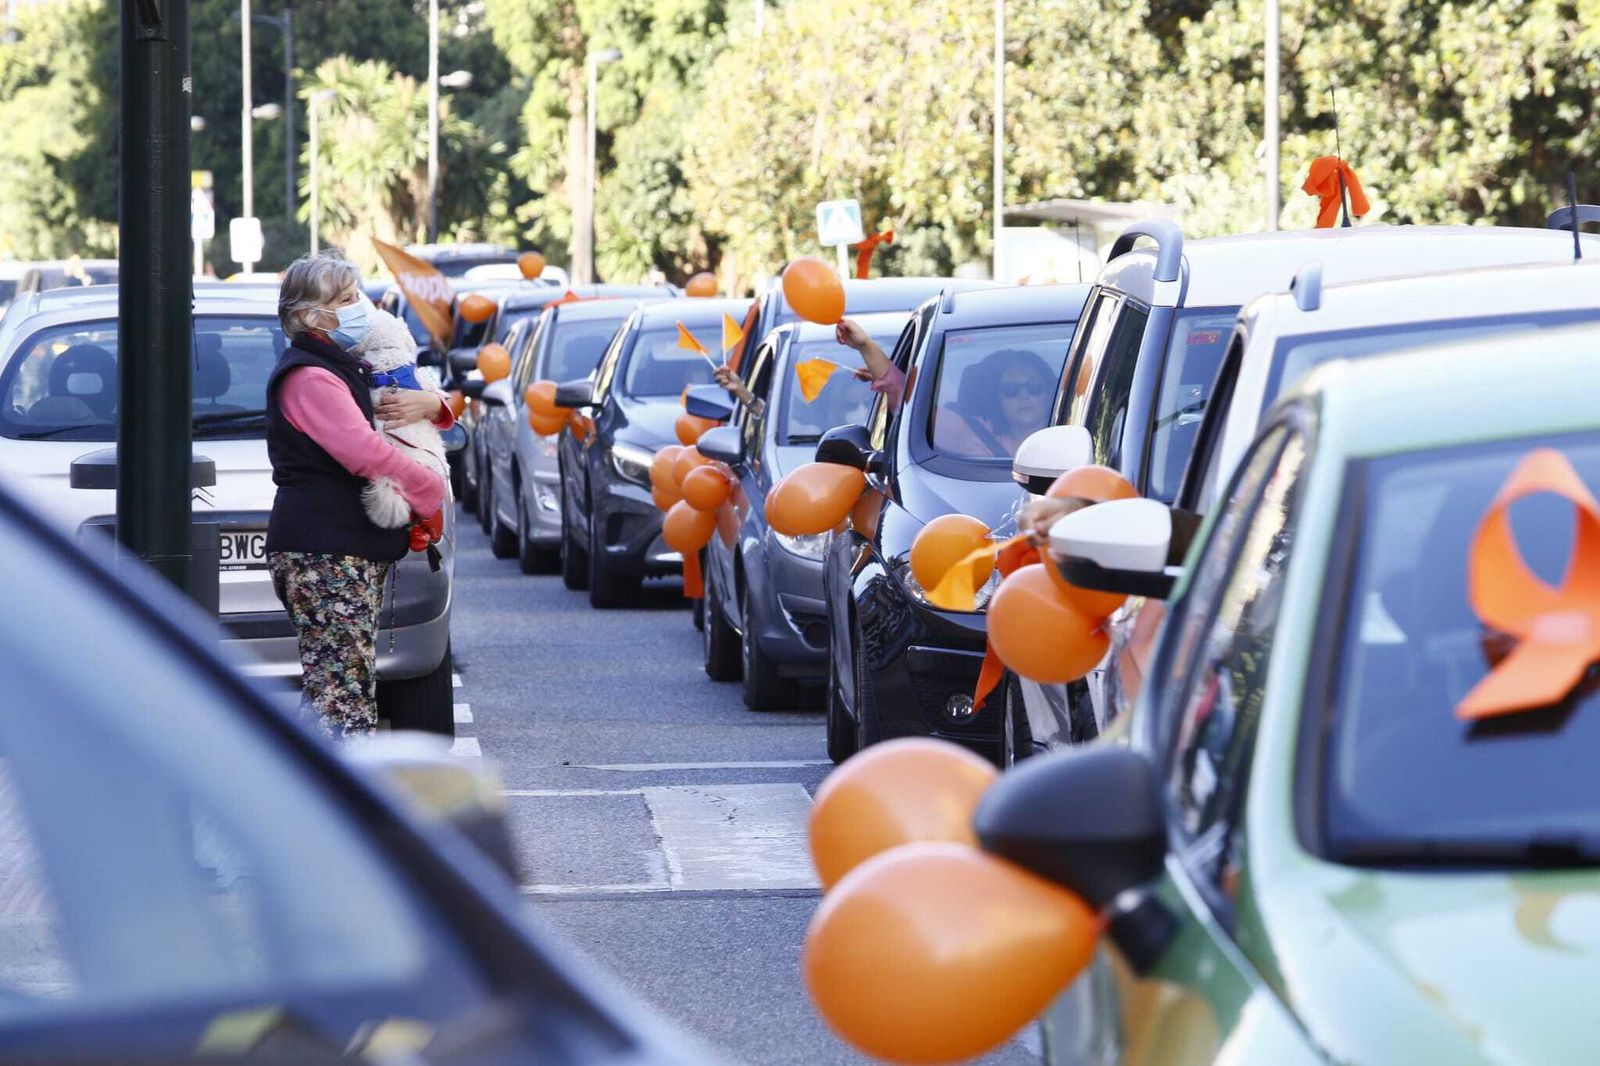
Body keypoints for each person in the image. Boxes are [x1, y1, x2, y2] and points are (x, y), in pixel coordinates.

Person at [266, 251, 454, 737]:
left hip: (339, 549)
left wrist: (434, 403)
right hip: (325, 552)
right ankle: (344, 807)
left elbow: (407, 388)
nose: (360, 309)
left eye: (358, 297)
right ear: (310, 315)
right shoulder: (309, 376)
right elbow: (363, 450)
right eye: (346, 300)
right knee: (343, 700)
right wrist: (427, 488)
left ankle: (299, 797)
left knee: (334, 685)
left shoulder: (342, 364)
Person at [934, 348, 1055, 458]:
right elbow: (924, 413)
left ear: (1050, 394)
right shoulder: (977, 438)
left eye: (1033, 387)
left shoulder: (1072, 439)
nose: (1023, 396)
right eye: (1010, 389)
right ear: (998, 400)